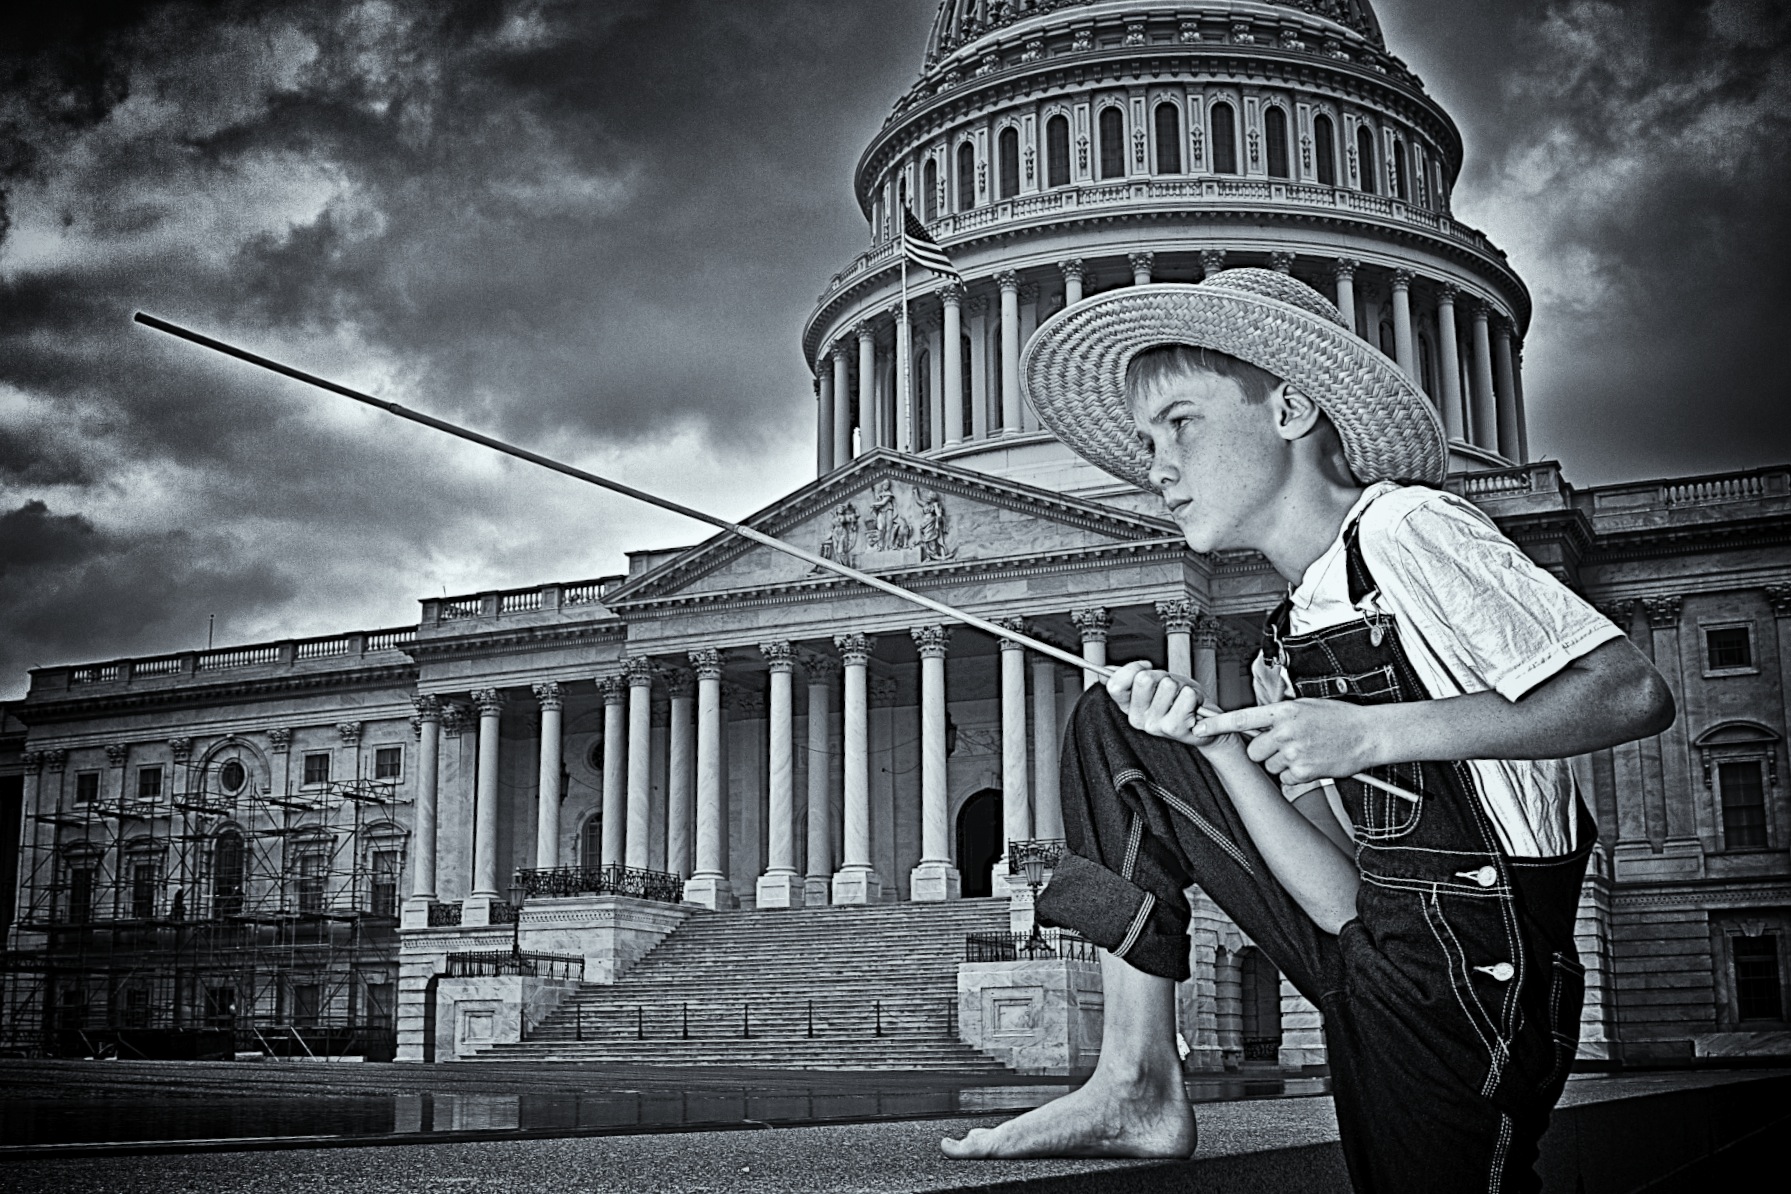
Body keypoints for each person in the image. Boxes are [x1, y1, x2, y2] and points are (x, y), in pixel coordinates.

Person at [940, 269, 1674, 1193]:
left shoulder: (1406, 527)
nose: (1154, 466)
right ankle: (1135, 1076)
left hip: (1481, 973)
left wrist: (1368, 737)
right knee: (1116, 725)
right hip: (1377, 952)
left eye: (1180, 422)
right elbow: (1340, 896)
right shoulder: (1283, 641)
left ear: (1290, 408)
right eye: (1144, 440)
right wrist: (1213, 752)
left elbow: (1629, 692)